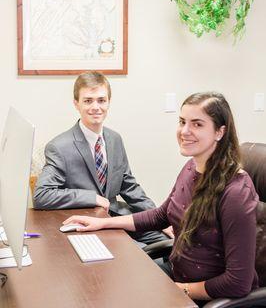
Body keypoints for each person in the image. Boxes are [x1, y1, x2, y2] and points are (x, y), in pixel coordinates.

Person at [62, 92, 259, 305]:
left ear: (220, 132)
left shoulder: (236, 192)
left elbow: (238, 282)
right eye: (182, 122)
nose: (185, 131)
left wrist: (177, 290)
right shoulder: (192, 167)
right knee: (105, 287)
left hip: (208, 297)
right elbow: (161, 215)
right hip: (177, 278)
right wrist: (103, 222)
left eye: (197, 124)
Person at [33, 71, 171, 245]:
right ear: (76, 104)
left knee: (170, 244)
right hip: (89, 225)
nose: (96, 107)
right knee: (139, 255)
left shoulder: (114, 139)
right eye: (88, 100)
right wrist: (92, 197)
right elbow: (42, 195)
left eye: (101, 100)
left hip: (120, 218)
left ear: (108, 102)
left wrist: (160, 219)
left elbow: (129, 186)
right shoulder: (59, 147)